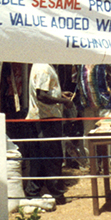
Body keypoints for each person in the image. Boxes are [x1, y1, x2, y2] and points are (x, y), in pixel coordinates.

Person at [24, 63, 74, 205]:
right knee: (53, 157)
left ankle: (33, 192)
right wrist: (64, 102)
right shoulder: (44, 68)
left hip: (41, 118)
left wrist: (59, 94)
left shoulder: (39, 65)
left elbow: (43, 92)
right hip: (47, 119)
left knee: (39, 157)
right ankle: (56, 193)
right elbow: (42, 96)